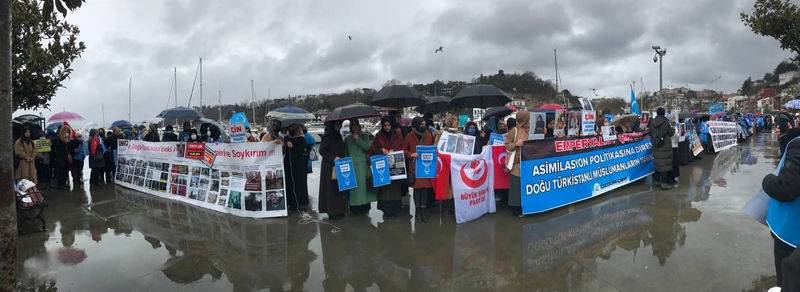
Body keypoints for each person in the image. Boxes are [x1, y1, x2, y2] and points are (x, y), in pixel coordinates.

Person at [762, 133, 800, 288]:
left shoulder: (797, 145)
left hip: (790, 233)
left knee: (788, 280)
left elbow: (785, 188)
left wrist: (767, 180)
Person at [370, 116, 406, 219]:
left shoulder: (397, 135)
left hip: (395, 166)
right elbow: (372, 149)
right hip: (383, 166)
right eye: (385, 125)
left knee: (394, 190)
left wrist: (394, 150)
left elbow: (402, 146)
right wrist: (381, 150)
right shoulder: (378, 136)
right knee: (385, 190)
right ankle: (386, 212)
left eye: (389, 125)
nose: (387, 127)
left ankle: (394, 211)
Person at [404, 117, 435, 222]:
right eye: (421, 124)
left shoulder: (429, 135)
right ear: (416, 124)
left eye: (424, 124)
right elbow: (404, 150)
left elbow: (432, 148)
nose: (424, 125)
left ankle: (423, 212)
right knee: (417, 190)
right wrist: (411, 154)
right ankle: (417, 213)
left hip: (426, 166)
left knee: (425, 189)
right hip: (415, 167)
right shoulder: (409, 136)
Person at [344, 119, 376, 216]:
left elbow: (367, 147)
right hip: (352, 166)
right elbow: (346, 153)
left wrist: (358, 139)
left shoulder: (365, 136)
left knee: (364, 187)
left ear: (359, 126)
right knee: (354, 188)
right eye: (352, 126)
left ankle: (365, 207)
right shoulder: (347, 139)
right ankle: (355, 208)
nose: (355, 127)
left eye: (356, 125)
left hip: (363, 166)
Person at [318, 121, 348, 219]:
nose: (338, 126)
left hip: (339, 165)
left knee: (339, 189)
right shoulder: (327, 137)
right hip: (329, 167)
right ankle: (332, 211)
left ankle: (340, 210)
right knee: (330, 190)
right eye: (336, 125)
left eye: (339, 125)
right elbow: (322, 151)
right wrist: (333, 158)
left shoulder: (339, 135)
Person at [504, 111, 528, 216]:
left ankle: (524, 207)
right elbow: (507, 145)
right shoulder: (514, 130)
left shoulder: (529, 131)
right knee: (516, 186)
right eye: (528, 119)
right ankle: (516, 210)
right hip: (516, 163)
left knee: (524, 186)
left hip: (526, 162)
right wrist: (516, 144)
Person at [648, 107, 676, 190]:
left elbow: (650, 133)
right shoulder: (666, 122)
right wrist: (673, 129)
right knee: (665, 165)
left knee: (657, 163)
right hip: (665, 146)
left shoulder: (652, 122)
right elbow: (671, 133)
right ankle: (664, 183)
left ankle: (656, 181)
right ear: (664, 113)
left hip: (656, 145)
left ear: (657, 113)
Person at [283, 124, 309, 211]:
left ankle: (301, 203)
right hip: (288, 164)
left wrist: (293, 146)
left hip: (298, 164)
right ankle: (291, 202)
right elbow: (284, 151)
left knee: (299, 183)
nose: (290, 129)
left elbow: (301, 151)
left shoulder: (302, 139)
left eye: (292, 128)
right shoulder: (287, 138)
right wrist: (285, 145)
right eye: (289, 128)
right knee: (289, 182)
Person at [52, 124, 73, 190]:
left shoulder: (69, 139)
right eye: (65, 131)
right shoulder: (58, 139)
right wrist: (64, 142)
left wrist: (68, 141)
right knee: (61, 172)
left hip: (67, 158)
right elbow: (58, 147)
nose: (67, 133)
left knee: (66, 171)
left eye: (68, 131)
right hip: (61, 158)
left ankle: (64, 183)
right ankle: (60, 185)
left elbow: (70, 149)